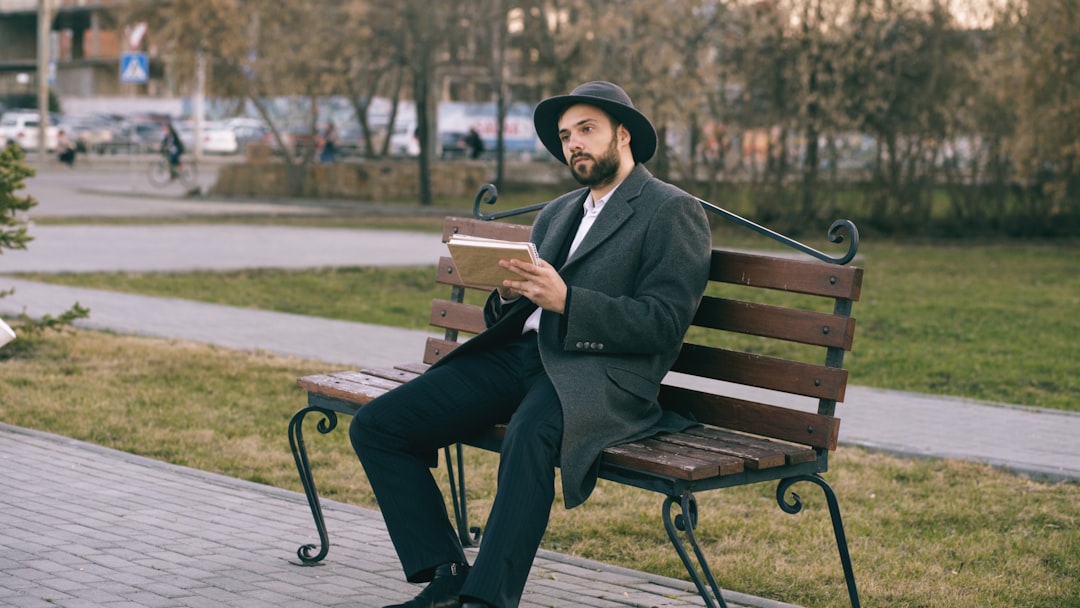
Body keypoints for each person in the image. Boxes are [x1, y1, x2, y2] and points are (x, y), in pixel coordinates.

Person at [349, 81, 713, 608]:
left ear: (624, 134)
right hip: (518, 357)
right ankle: (447, 573)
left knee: (528, 437)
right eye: (566, 137)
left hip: (594, 374)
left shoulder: (671, 211)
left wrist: (570, 302)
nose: (574, 145)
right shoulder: (560, 211)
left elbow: (664, 323)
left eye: (586, 130)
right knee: (379, 426)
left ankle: (487, 598)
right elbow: (529, 307)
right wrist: (508, 292)